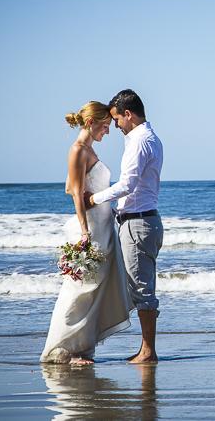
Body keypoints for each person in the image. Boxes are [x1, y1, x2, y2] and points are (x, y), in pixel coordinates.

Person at [41, 102, 134, 365]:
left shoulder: (88, 150)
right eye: (105, 126)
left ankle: (81, 347)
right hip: (91, 228)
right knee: (79, 290)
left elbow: (71, 187)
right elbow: (76, 196)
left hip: (105, 226)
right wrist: (84, 232)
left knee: (94, 292)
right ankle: (62, 350)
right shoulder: (78, 150)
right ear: (91, 123)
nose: (108, 131)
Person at [85, 89, 164, 363]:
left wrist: (93, 198)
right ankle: (147, 349)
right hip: (145, 221)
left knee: (141, 288)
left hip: (138, 223)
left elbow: (127, 185)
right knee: (141, 286)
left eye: (117, 119)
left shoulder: (139, 141)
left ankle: (148, 351)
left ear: (128, 115)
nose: (115, 126)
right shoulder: (150, 138)